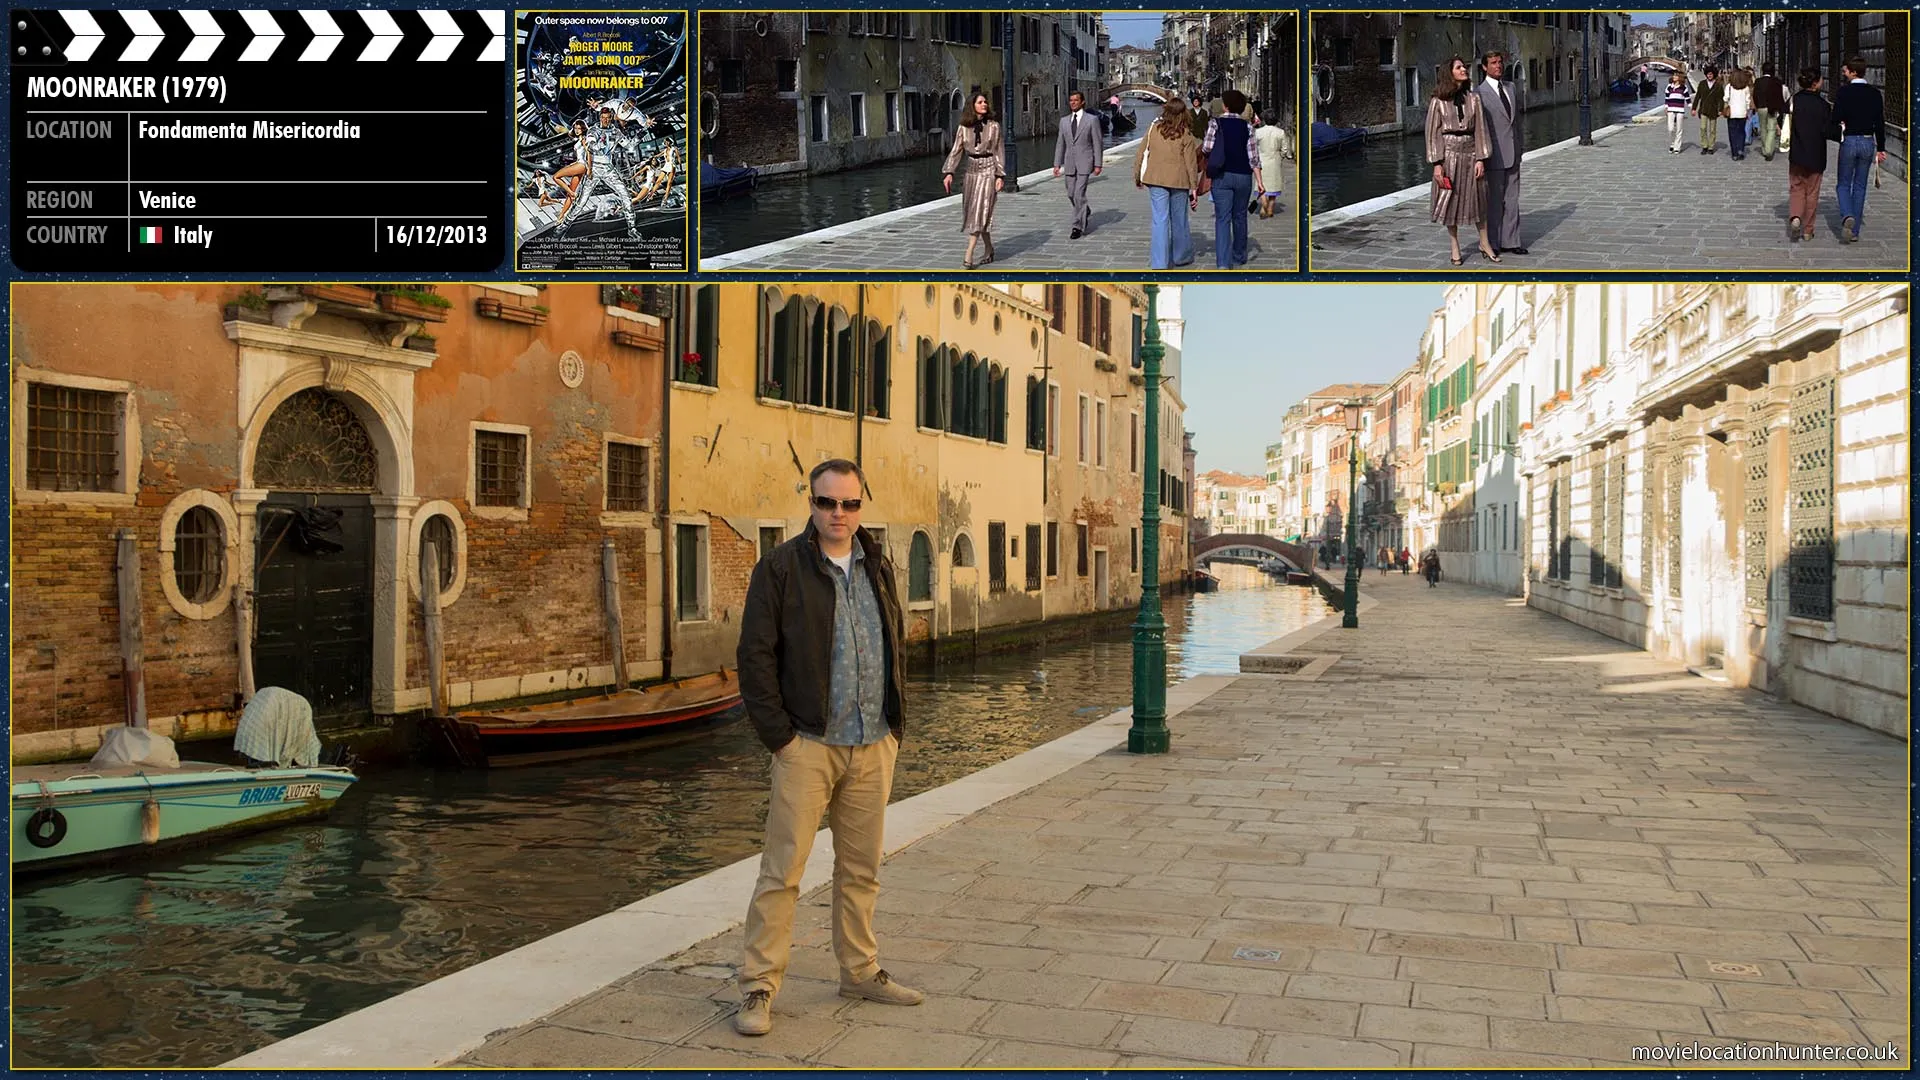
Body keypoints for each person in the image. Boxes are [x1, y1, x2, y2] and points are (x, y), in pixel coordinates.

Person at [733, 458, 919, 1037]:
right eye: (827, 502)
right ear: (810, 503)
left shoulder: (879, 566)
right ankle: (759, 986)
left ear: (863, 505)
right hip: (807, 744)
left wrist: (895, 724)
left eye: (849, 503)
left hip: (872, 742)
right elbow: (754, 658)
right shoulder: (781, 568)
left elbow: (895, 641)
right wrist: (780, 740)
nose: (838, 514)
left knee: (862, 869)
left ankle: (859, 970)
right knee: (782, 872)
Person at [1427, 57, 1495, 267]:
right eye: (1459, 67)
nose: (1464, 69)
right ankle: (1454, 246)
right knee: (1451, 201)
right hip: (1448, 156)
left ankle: (1485, 243)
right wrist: (1437, 163)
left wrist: (1481, 158)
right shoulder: (1438, 101)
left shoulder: (1473, 99)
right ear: (1450, 73)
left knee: (1479, 199)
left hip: (1471, 153)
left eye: (1464, 67)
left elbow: (1481, 129)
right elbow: (1432, 133)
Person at [1132, 96, 1200, 269]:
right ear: (1183, 113)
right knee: (1179, 220)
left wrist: (1137, 176)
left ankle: (1159, 262)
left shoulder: (1153, 129)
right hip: (1179, 181)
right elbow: (1191, 164)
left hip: (1155, 180)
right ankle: (1181, 256)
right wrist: (1194, 187)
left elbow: (1141, 153)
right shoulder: (1186, 134)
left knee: (1159, 220)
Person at [941, 93, 1006, 269]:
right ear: (972, 106)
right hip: (971, 171)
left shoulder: (994, 126)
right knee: (975, 211)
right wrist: (949, 172)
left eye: (986, 101)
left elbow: (999, 151)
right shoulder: (963, 127)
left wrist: (1000, 175)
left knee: (980, 210)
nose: (984, 104)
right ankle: (989, 249)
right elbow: (956, 151)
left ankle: (968, 255)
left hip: (989, 169)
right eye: (980, 102)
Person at [1200, 89, 1262, 269]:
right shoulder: (1248, 127)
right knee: (1240, 216)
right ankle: (1240, 255)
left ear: (1225, 106)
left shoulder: (1215, 123)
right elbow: (1254, 158)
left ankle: (1223, 263)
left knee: (1222, 219)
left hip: (1222, 176)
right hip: (1243, 177)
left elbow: (1206, 147)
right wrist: (1260, 182)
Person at [558, 107, 639, 237]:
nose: (605, 120)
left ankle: (632, 228)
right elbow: (590, 145)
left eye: (608, 118)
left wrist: (641, 133)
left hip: (608, 169)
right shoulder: (593, 131)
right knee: (581, 202)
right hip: (594, 169)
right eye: (603, 117)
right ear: (600, 117)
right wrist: (597, 146)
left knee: (626, 196)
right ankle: (562, 227)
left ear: (611, 118)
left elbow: (629, 145)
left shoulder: (616, 132)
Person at [1474, 50, 1525, 256]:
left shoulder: (1511, 88)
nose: (1498, 66)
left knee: (1512, 199)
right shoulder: (1478, 93)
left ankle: (1511, 241)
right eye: (1493, 63)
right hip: (1493, 154)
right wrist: (1480, 156)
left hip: (1513, 151)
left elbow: (1517, 121)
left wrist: (1521, 147)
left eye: (1500, 62)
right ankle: (1492, 243)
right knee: (1494, 201)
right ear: (1485, 67)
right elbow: (1478, 128)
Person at [1832, 55, 1886, 244]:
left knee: (1843, 183)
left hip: (1849, 140)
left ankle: (1847, 214)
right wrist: (1881, 148)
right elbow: (1880, 122)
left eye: (1846, 70)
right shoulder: (1875, 93)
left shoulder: (1844, 92)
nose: (1844, 73)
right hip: (1867, 141)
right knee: (1860, 185)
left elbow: (1836, 116)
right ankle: (1854, 231)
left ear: (1854, 72)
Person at [1785, 67, 1833, 243]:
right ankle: (1808, 230)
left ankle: (1796, 216)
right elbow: (1829, 130)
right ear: (1815, 83)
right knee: (1812, 192)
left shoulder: (1794, 100)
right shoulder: (1823, 105)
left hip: (1797, 152)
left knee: (1796, 187)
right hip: (1816, 154)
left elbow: (1784, 119)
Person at [1054, 90, 1103, 241]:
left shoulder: (1092, 120)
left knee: (1078, 194)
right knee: (1071, 194)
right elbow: (1060, 144)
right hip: (1069, 162)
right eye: (1071, 100)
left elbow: (1097, 142)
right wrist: (1057, 164)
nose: (1073, 102)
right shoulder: (1064, 121)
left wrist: (1098, 163)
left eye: (1076, 100)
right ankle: (1084, 209)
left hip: (1085, 162)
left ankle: (1077, 226)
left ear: (1082, 102)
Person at [1252, 114, 1292, 218]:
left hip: (1261, 160)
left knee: (1262, 183)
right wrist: (1281, 156)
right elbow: (1285, 149)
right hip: (1275, 160)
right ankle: (1270, 208)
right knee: (1274, 185)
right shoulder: (1280, 132)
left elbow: (1254, 147)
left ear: (1264, 120)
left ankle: (1263, 201)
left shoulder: (1258, 132)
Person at [1753, 62, 1787, 160]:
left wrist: (1757, 105)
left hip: (1761, 107)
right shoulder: (1776, 81)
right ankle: (1769, 150)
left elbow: (1755, 95)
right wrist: (1781, 108)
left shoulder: (1758, 81)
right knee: (1771, 129)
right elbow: (1779, 96)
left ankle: (1764, 149)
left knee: (1763, 128)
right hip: (1772, 108)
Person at [1692, 66, 1725, 155]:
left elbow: (1721, 99)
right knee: (1703, 128)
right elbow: (1697, 96)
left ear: (1713, 74)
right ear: (1706, 74)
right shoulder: (1702, 84)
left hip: (1714, 110)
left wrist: (1721, 109)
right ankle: (1704, 146)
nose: (1709, 75)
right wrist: (1694, 108)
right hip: (1704, 109)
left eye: (1711, 74)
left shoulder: (1718, 85)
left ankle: (1711, 147)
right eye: (1708, 74)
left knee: (1712, 130)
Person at [1724, 68, 1754, 160]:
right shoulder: (1746, 88)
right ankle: (1741, 149)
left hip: (1732, 113)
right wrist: (1747, 110)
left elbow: (1725, 98)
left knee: (1732, 133)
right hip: (1742, 113)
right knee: (1741, 132)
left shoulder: (1729, 87)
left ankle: (1734, 153)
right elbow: (1748, 101)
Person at [1663, 71, 1693, 153]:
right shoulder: (1669, 87)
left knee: (1679, 128)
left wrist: (1691, 108)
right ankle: (1672, 144)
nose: (1674, 77)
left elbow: (1687, 99)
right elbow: (1667, 98)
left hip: (1680, 109)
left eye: (1676, 76)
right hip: (1670, 109)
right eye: (1673, 75)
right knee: (1670, 129)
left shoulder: (1683, 87)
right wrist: (1666, 107)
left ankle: (1677, 147)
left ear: (1679, 77)